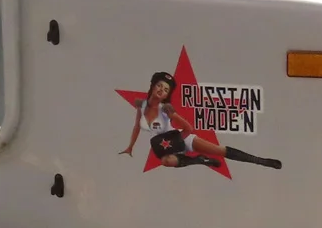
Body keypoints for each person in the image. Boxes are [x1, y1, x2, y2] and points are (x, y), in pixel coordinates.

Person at [120, 72, 281, 170]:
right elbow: (136, 126)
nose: (161, 90)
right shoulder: (140, 106)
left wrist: (177, 141)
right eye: (159, 86)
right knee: (166, 161)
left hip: (181, 139)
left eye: (166, 89)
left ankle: (261, 161)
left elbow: (188, 128)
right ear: (153, 86)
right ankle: (198, 160)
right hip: (166, 146)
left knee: (219, 150)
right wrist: (130, 146)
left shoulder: (166, 109)